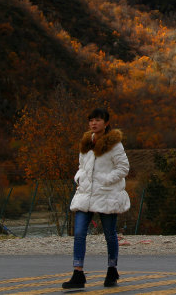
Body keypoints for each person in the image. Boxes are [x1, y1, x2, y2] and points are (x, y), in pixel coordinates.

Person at [62, 108, 130, 290]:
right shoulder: (86, 143)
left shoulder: (114, 144)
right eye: (91, 120)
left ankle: (112, 270)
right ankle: (78, 273)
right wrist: (79, 177)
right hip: (85, 194)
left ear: (106, 123)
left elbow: (124, 168)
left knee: (109, 234)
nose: (94, 123)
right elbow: (82, 166)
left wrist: (106, 180)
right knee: (79, 233)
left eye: (98, 120)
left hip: (106, 194)